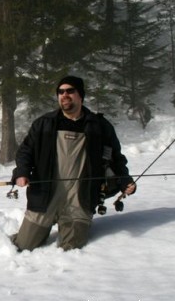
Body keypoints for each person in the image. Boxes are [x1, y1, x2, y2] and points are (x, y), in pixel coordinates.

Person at [10, 75, 136, 251]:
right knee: (24, 245)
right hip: (45, 197)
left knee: (70, 249)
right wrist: (22, 172)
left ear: (80, 95)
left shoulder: (99, 126)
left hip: (80, 200)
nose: (64, 95)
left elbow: (116, 158)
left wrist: (125, 181)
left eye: (70, 91)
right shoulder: (44, 123)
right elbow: (25, 151)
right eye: (61, 92)